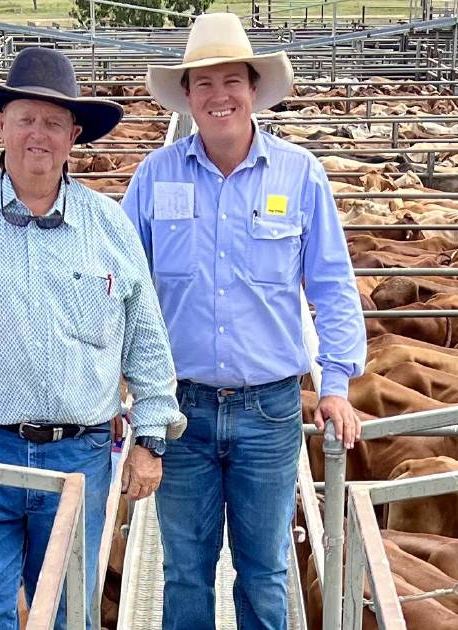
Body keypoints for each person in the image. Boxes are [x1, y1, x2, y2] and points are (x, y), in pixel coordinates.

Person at [0, 47, 184, 630]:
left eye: (53, 122)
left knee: (70, 615)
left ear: (74, 134)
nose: (38, 134)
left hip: (79, 456)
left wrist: (151, 436)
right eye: (26, 118)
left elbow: (147, 340)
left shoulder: (109, 224)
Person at [121, 13, 366, 630]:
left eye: (231, 80)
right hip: (180, 409)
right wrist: (118, 385)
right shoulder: (154, 176)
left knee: (264, 571)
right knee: (184, 569)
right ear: (187, 97)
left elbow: (333, 286)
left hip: (271, 408)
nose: (218, 96)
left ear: (253, 89)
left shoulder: (301, 173)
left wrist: (334, 384)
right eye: (203, 84)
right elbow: (119, 288)